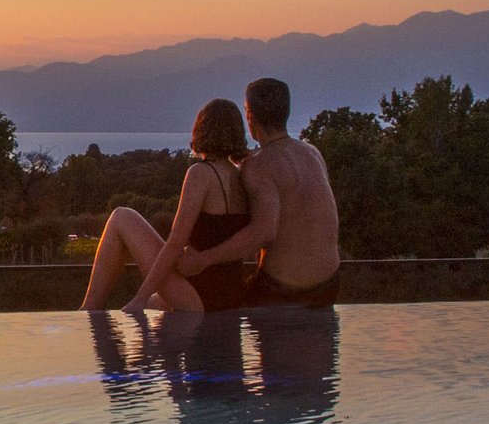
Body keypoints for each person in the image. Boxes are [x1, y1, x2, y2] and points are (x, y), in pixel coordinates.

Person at [177, 77, 341, 307]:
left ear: (250, 115)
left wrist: (203, 259)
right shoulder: (312, 154)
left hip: (283, 290)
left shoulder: (259, 165)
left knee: (189, 305)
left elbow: (263, 233)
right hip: (328, 285)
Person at [81, 98, 251, 311]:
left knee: (121, 216)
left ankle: (88, 310)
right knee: (156, 304)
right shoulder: (240, 175)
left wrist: (139, 299)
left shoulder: (201, 173)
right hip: (230, 295)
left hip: (199, 294)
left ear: (201, 130)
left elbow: (175, 242)